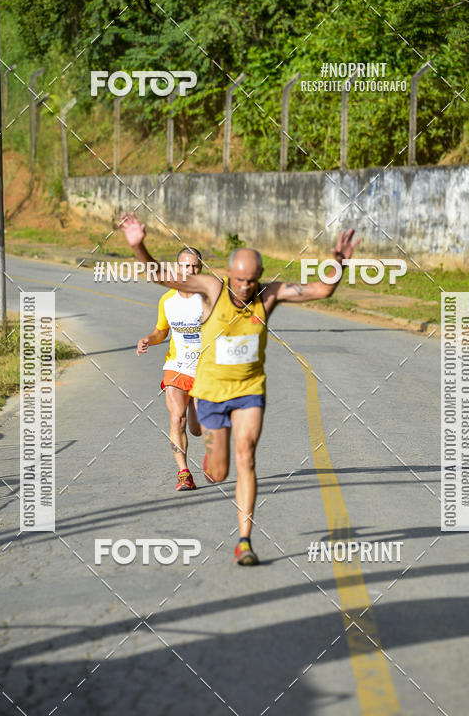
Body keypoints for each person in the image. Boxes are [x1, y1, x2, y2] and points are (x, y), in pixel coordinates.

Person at [120, 213, 360, 565]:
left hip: (249, 390)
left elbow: (321, 290)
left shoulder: (270, 294)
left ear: (259, 277)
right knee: (219, 471)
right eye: (240, 280)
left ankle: (244, 540)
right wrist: (139, 244)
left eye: (252, 281)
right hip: (211, 391)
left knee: (246, 456)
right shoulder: (211, 289)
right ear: (229, 274)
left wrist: (336, 263)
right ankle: (208, 456)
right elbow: (159, 275)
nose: (245, 287)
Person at [136, 248, 204, 491]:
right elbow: (161, 331)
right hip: (176, 366)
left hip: (204, 368)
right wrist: (148, 339)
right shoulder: (167, 300)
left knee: (197, 429)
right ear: (177, 268)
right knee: (177, 419)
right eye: (186, 266)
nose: (190, 270)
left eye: (195, 266)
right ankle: (184, 473)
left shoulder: (208, 298)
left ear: (201, 269)